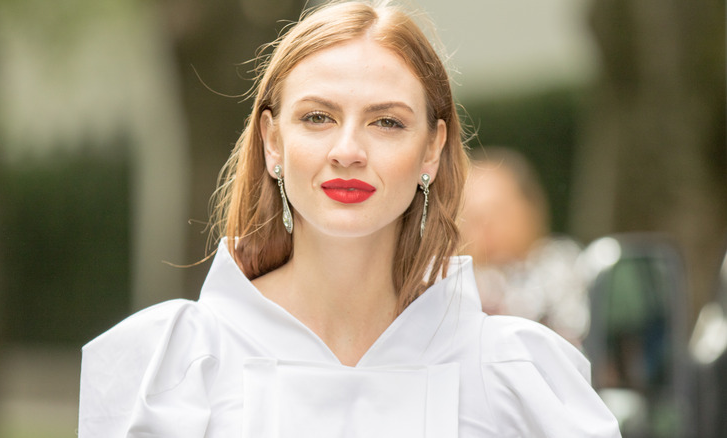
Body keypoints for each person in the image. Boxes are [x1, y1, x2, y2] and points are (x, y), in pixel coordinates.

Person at [78, 2, 620, 437]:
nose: (348, 150)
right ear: (272, 141)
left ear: (432, 149)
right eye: (318, 117)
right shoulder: (171, 367)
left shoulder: (517, 375)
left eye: (386, 122)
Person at [459, 147, 591, 347]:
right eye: (473, 217)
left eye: (497, 211)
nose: (486, 227)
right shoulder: (457, 289)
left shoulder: (571, 270)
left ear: (532, 209)